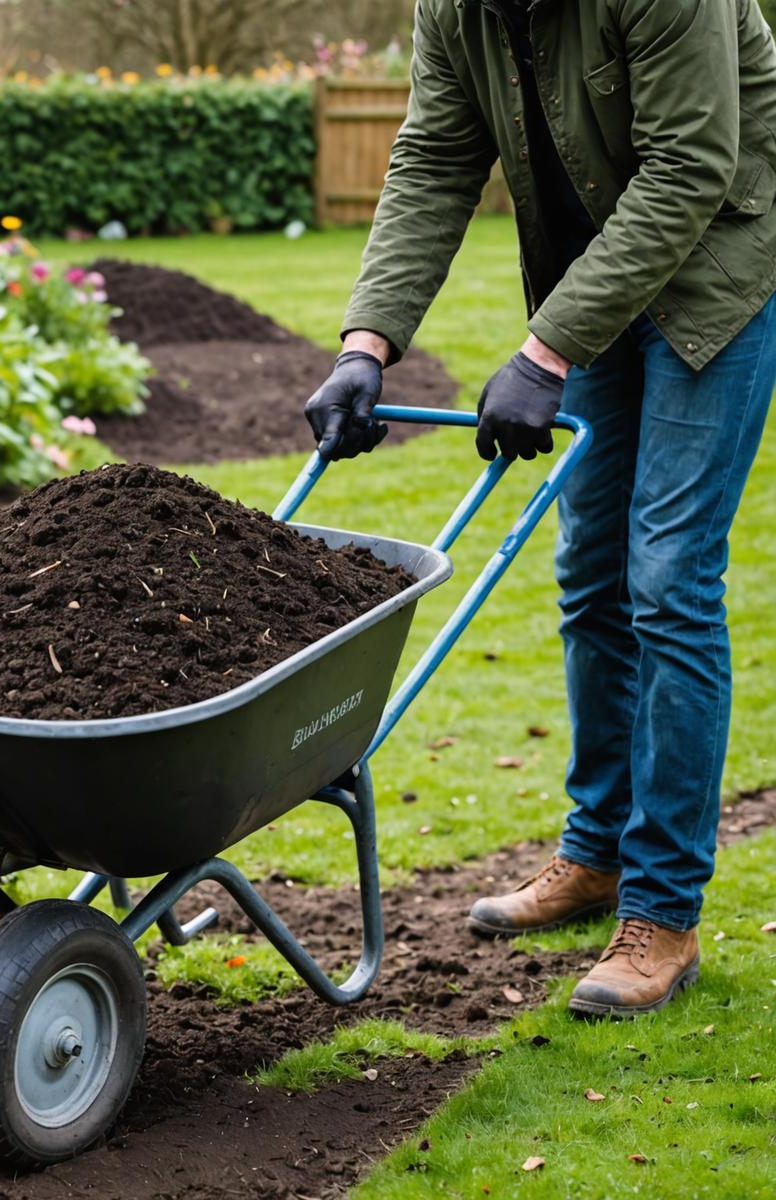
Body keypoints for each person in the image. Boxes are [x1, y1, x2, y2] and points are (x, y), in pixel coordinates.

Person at [305, 0, 776, 1017]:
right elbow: (433, 158)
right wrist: (365, 347)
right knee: (589, 573)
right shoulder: (457, 10)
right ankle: (596, 853)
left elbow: (692, 167)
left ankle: (663, 914)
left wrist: (544, 351)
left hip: (719, 277)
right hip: (595, 281)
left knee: (668, 578)